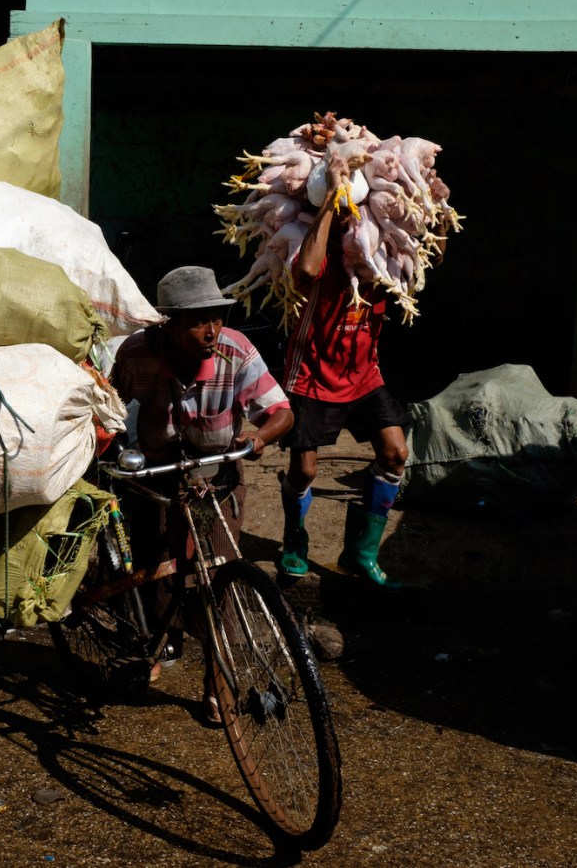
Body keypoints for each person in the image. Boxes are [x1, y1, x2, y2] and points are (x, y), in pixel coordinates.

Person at [110, 266, 293, 717]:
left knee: (220, 574)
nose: (211, 330)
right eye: (197, 321)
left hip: (217, 474)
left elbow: (281, 411)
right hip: (157, 470)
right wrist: (112, 446)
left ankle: (218, 679)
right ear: (167, 324)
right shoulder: (136, 352)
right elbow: (108, 405)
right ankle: (156, 644)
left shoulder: (236, 349)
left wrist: (258, 439)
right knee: (156, 564)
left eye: (215, 317)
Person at [278, 151, 411, 589]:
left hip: (364, 374)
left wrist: (428, 206)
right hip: (312, 374)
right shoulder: (314, 243)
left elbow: (427, 256)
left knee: (395, 454)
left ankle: (361, 551)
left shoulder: (377, 243)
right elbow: (308, 270)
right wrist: (330, 203)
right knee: (305, 471)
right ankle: (294, 541)